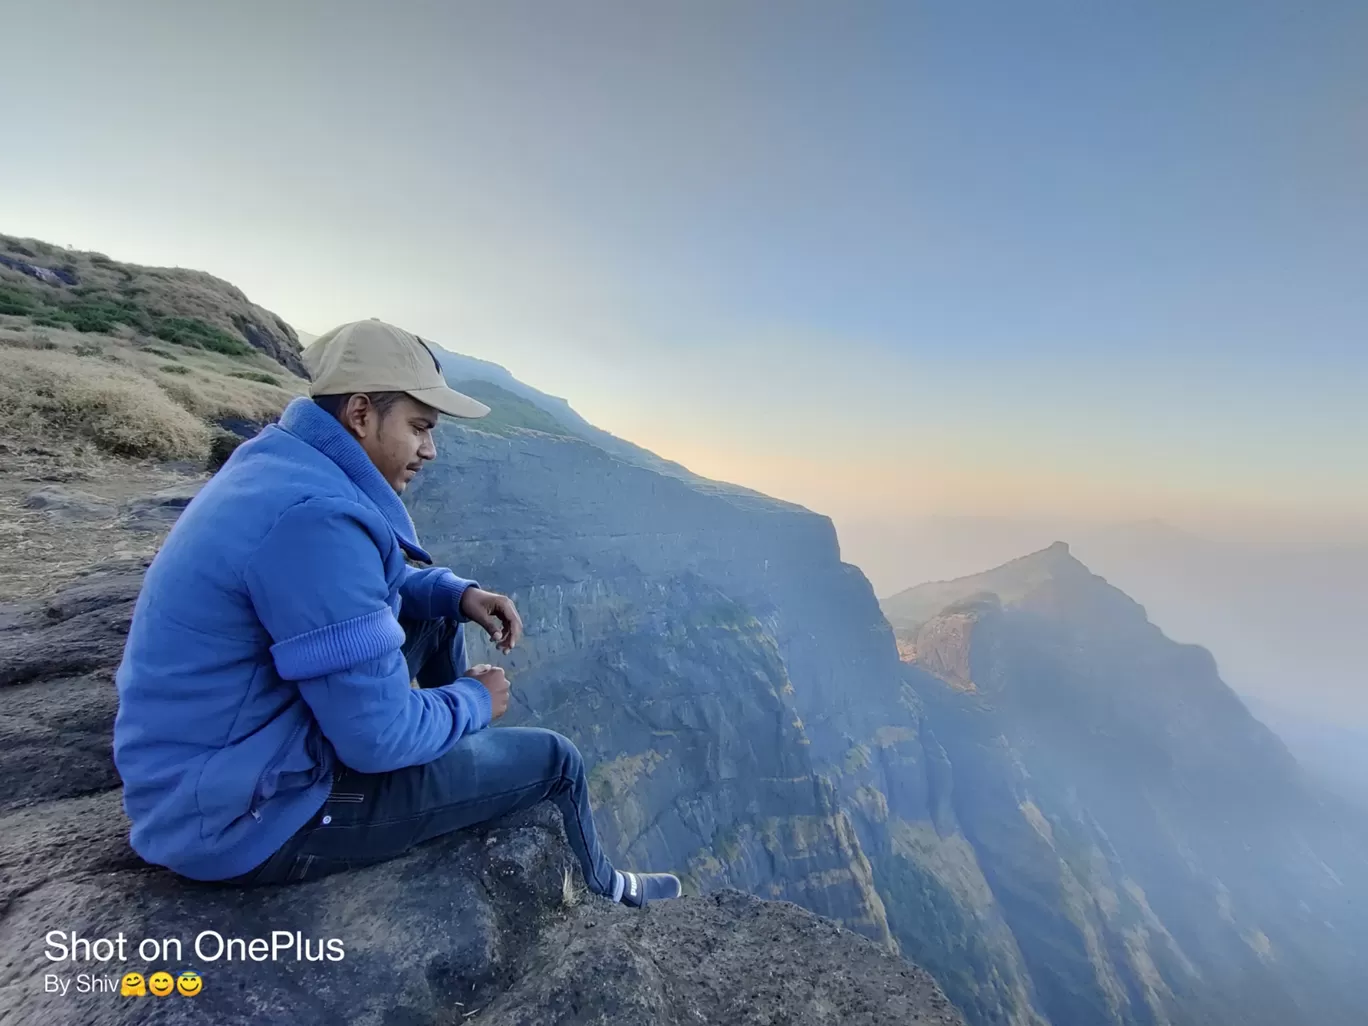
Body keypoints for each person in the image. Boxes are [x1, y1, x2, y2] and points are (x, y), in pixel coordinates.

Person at [112, 319, 681, 908]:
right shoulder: (316, 521)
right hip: (246, 821)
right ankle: (610, 891)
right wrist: (474, 700)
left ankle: (456, 757)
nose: (430, 450)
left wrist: (455, 594)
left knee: (435, 613)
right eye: (419, 428)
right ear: (360, 414)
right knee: (558, 764)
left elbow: (346, 590)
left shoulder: (282, 464)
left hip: (224, 768)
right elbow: (376, 739)